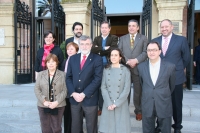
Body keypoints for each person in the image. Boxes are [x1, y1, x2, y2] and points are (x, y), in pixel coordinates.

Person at [152, 19, 190, 133]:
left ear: (172, 27)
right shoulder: (155, 40)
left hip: (176, 78)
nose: (164, 29)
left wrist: (177, 69)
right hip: (159, 78)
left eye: (166, 26)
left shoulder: (181, 40)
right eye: (162, 27)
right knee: (160, 103)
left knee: (176, 104)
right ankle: (159, 125)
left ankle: (177, 127)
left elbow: (186, 58)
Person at [66, 35, 103, 133]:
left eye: (87, 44)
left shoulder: (97, 59)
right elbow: (68, 77)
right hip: (75, 99)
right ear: (79, 45)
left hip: (90, 99)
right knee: (76, 128)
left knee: (91, 128)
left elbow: (97, 79)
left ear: (91, 45)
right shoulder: (73, 58)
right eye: (82, 44)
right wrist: (73, 93)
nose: (84, 47)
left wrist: (84, 94)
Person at [138, 42, 176, 133]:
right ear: (146, 52)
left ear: (159, 51)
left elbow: (172, 85)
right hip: (147, 103)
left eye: (154, 50)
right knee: (147, 130)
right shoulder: (141, 67)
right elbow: (142, 84)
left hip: (163, 103)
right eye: (149, 50)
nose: (152, 52)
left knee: (165, 130)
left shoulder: (170, 67)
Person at [118, 19, 148, 121]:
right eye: (129, 26)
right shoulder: (122, 38)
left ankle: (138, 111)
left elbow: (145, 52)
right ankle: (124, 111)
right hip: (125, 68)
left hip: (138, 68)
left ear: (138, 27)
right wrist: (128, 61)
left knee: (138, 92)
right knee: (125, 91)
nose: (131, 27)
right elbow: (120, 52)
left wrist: (136, 60)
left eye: (133, 26)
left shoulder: (143, 38)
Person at [98, 48, 131, 133]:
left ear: (120, 57)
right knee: (108, 129)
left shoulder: (126, 70)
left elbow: (126, 89)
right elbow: (103, 87)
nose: (113, 57)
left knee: (121, 128)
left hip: (121, 103)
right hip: (108, 103)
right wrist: (109, 103)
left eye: (116, 55)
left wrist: (116, 103)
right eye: (112, 55)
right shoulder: (106, 69)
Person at [34, 53, 67, 133]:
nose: (51, 64)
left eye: (53, 61)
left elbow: (65, 90)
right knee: (45, 128)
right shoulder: (41, 74)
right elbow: (36, 89)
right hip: (43, 106)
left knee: (56, 128)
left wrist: (56, 102)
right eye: (48, 62)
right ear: (46, 64)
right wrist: (44, 101)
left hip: (58, 105)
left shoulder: (63, 75)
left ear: (57, 63)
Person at [91, 20, 118, 115]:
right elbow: (92, 50)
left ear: (109, 29)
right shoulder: (96, 38)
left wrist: (99, 50)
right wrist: (103, 48)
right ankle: (101, 107)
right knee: (99, 87)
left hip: (109, 65)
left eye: (106, 27)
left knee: (109, 86)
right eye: (102, 27)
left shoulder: (114, 38)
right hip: (98, 66)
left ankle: (111, 105)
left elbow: (113, 49)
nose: (104, 29)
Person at [61, 42, 79, 133]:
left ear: (76, 50)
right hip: (65, 91)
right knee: (67, 114)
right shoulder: (65, 61)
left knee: (74, 115)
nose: (69, 51)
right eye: (68, 49)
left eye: (72, 49)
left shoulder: (78, 61)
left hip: (74, 90)